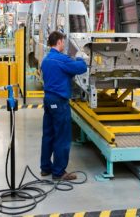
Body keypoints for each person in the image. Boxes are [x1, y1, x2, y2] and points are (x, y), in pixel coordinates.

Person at [40, 31, 87, 181]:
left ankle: (45, 168)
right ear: (59, 42)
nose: (64, 45)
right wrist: (81, 56)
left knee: (48, 135)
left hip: (48, 100)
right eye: (63, 42)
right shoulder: (61, 60)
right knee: (62, 137)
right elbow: (81, 68)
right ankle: (59, 172)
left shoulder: (46, 59)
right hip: (59, 102)